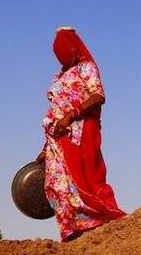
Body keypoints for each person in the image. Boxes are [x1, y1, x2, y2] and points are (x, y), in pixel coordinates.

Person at [38, 27, 126, 241]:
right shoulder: (58, 76)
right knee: (56, 185)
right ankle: (72, 231)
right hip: (58, 137)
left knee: (86, 179)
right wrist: (44, 148)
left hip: (81, 130)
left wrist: (72, 114)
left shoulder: (87, 68)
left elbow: (98, 96)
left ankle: (100, 224)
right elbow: (55, 108)